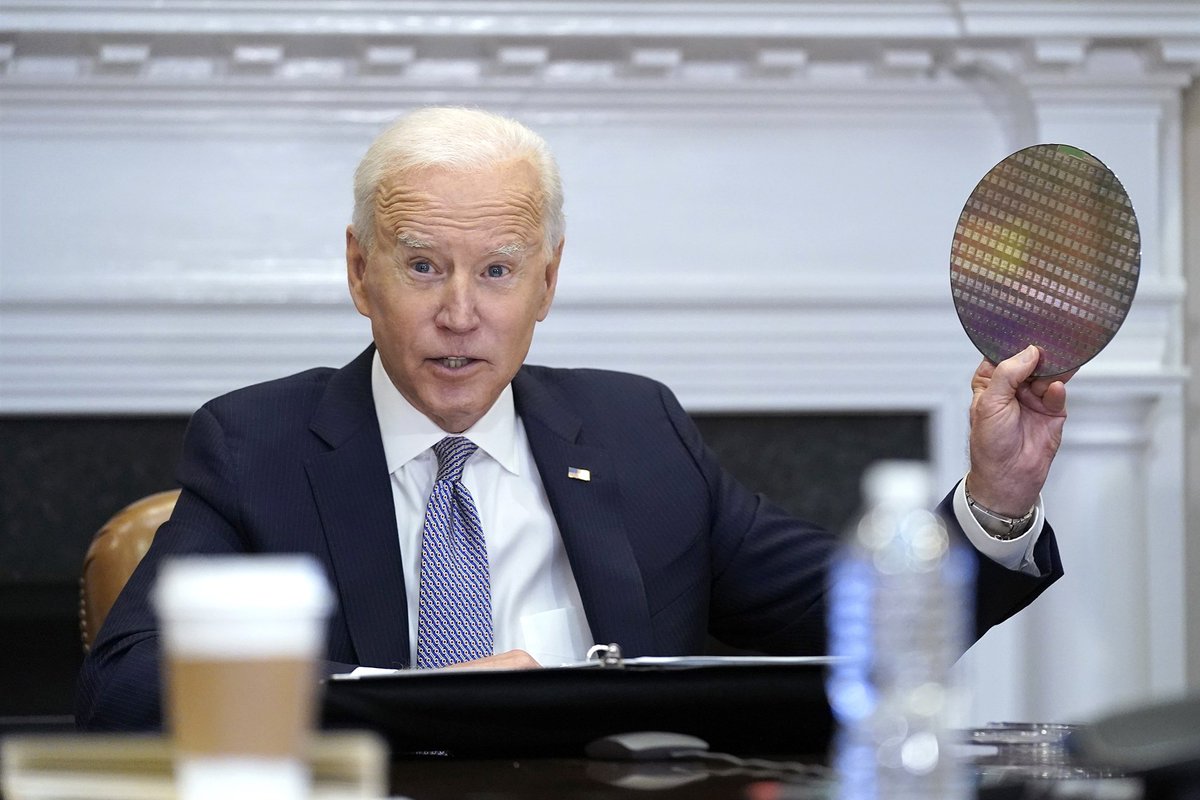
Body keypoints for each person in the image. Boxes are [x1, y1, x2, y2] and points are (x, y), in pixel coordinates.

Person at [77, 107, 1067, 731]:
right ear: (357, 271)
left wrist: (995, 500)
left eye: (497, 270)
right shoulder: (259, 447)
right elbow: (119, 690)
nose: (460, 311)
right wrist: (417, 698)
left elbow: (870, 617)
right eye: (423, 265)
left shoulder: (637, 431)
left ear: (546, 280)